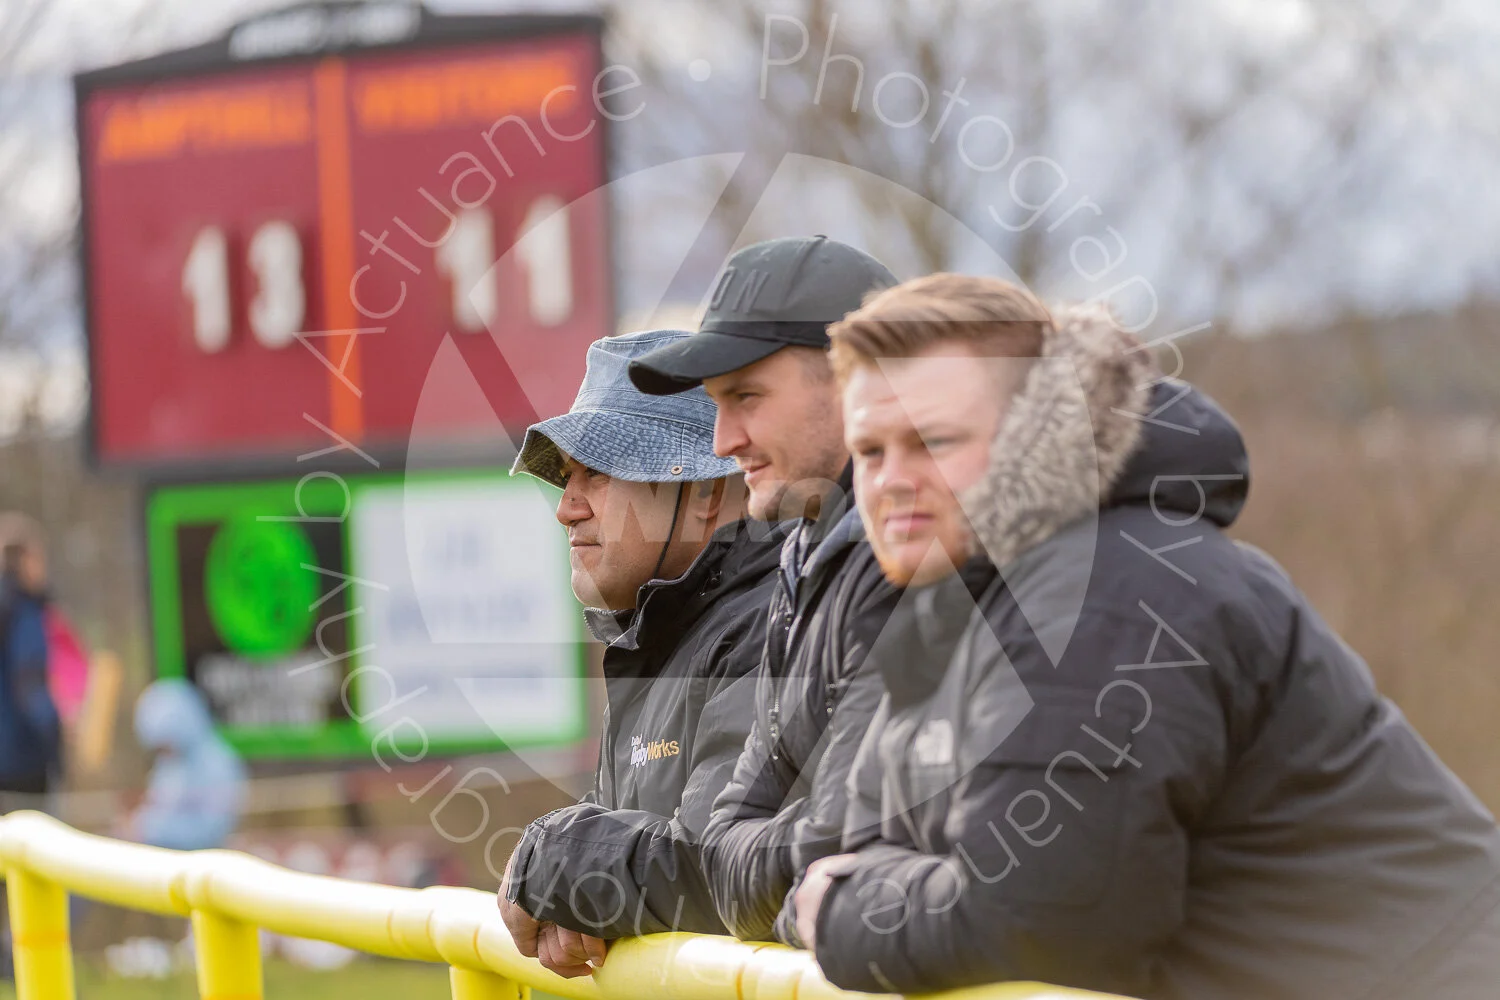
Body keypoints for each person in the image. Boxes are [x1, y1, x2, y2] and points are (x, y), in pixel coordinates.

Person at [791, 273, 1500, 999]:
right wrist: (860, 893)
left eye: (933, 441)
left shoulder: (1118, 593)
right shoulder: (953, 608)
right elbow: (841, 846)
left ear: (1045, 431)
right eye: (870, 452)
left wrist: (842, 915)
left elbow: (1043, 922)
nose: (893, 481)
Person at [627, 235, 903, 945]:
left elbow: (828, 858)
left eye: (746, 396)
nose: (723, 440)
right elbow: (726, 858)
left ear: (856, 385)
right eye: (718, 404)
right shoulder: (809, 551)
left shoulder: (926, 562)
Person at [497, 329, 788, 978]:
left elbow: (726, 873)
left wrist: (558, 859)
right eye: (568, 476)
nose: (566, 508)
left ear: (710, 489)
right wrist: (581, 889)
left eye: (598, 471)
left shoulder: (772, 632)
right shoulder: (660, 641)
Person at [126, 678, 246, 851]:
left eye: (166, 745)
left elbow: (212, 829)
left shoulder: (216, 765)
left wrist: (151, 829)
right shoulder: (171, 764)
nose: (164, 753)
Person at [0, 513, 61, 807]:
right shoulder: (23, 611)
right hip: (23, 760)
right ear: (23, 559)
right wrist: (57, 745)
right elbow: (31, 686)